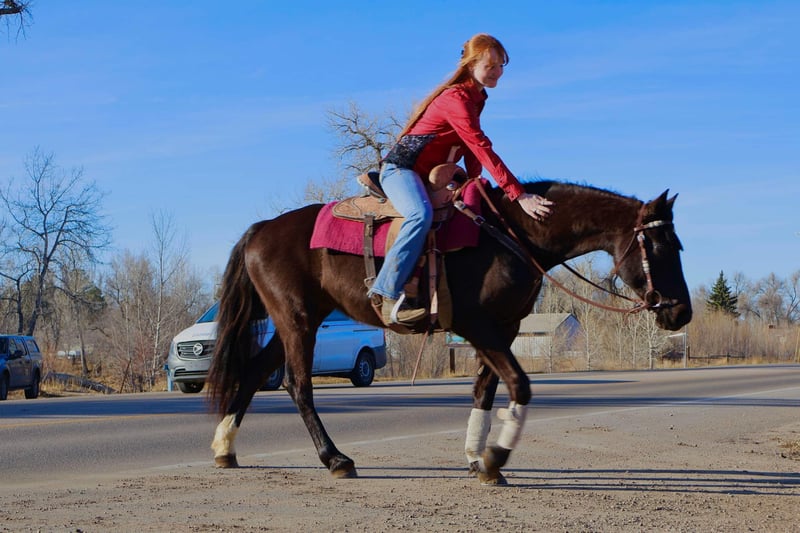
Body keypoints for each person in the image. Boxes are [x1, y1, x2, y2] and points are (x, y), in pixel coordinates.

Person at [368, 33, 554, 326]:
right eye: (490, 66)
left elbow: (469, 147)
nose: (497, 72)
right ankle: (387, 290)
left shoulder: (476, 98)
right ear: (471, 65)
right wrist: (518, 194)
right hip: (401, 170)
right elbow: (479, 144)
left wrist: (475, 183)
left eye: (501, 66)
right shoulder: (455, 99)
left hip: (430, 177)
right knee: (420, 215)